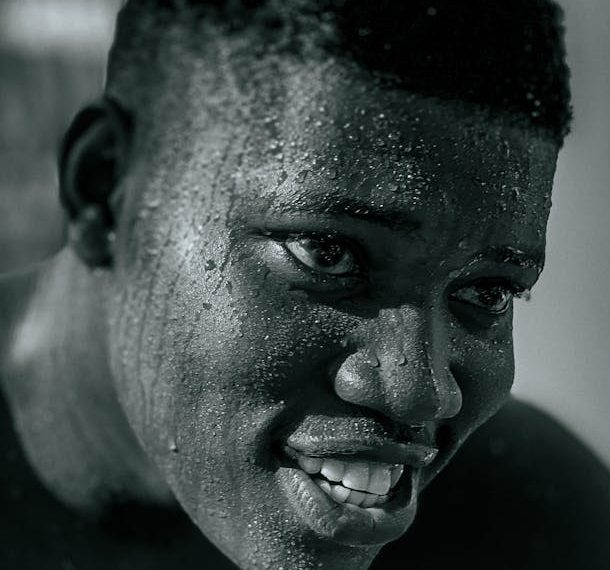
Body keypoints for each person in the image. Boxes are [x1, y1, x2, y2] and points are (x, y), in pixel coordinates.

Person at [1, 1, 609, 568]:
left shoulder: (524, 523)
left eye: (488, 292)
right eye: (328, 253)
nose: (420, 392)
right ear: (103, 189)